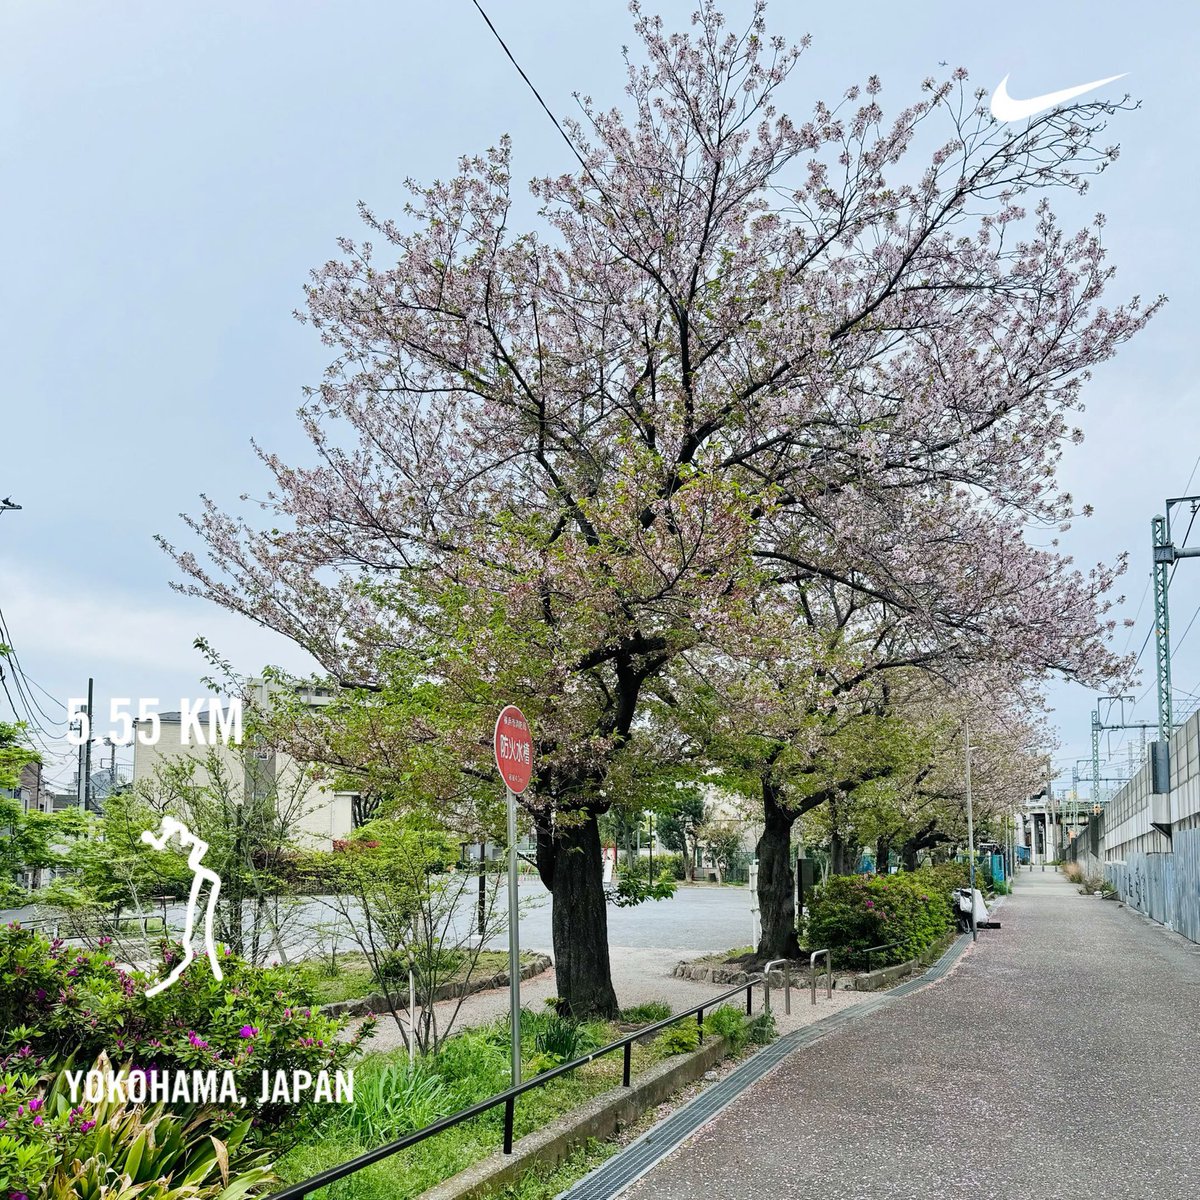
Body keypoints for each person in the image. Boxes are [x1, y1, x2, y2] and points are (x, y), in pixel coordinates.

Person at [140, 817, 224, 996]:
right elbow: (164, 842)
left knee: (202, 929)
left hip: (204, 874)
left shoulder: (180, 832)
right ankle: (204, 968)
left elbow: (201, 846)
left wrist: (154, 840)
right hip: (202, 875)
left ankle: (200, 969)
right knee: (192, 935)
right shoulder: (180, 833)